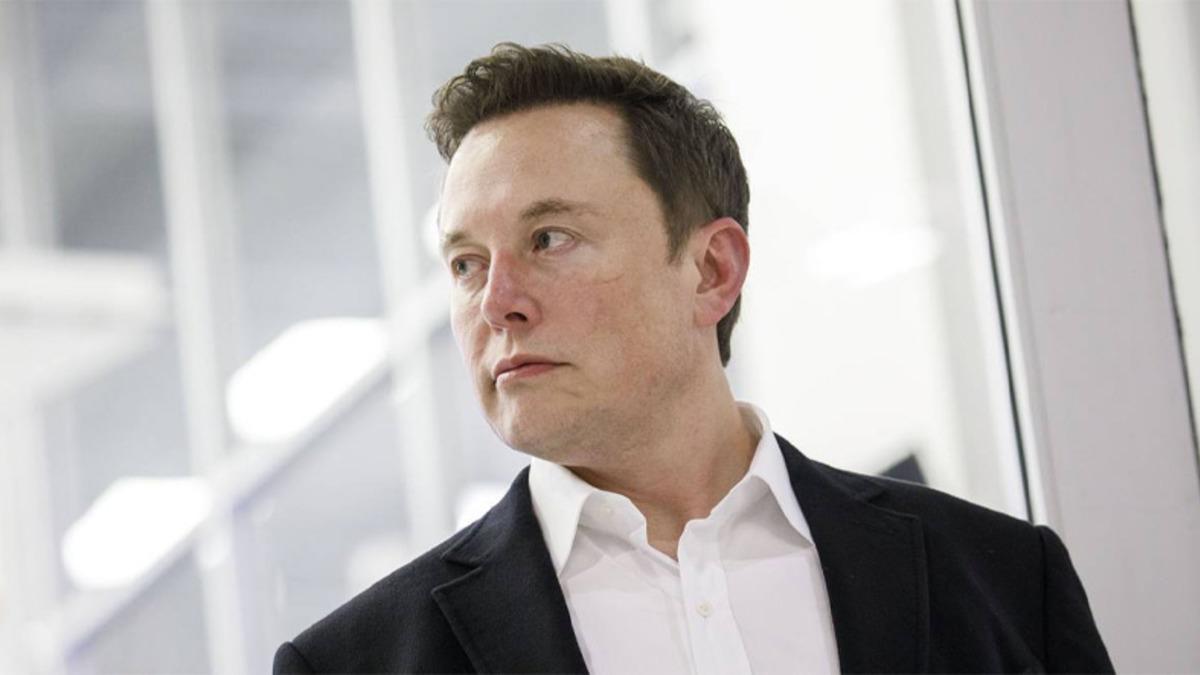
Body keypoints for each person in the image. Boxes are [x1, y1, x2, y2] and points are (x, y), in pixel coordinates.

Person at [273, 43, 1113, 674]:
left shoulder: (1007, 580)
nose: (497, 302)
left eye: (549, 238)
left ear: (711, 270)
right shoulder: (353, 664)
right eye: (466, 264)